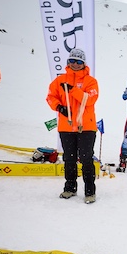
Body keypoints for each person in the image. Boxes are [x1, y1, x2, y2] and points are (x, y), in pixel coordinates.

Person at [46, 48, 99, 204]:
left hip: (86, 127)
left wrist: (73, 90)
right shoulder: (59, 80)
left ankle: (89, 191)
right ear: (68, 62)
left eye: (78, 61)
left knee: (86, 158)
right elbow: (50, 97)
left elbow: (90, 99)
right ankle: (70, 187)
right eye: (72, 61)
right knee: (69, 158)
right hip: (66, 126)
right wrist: (59, 107)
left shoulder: (91, 81)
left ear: (84, 63)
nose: (75, 64)